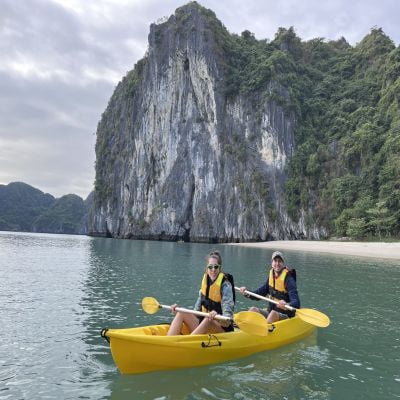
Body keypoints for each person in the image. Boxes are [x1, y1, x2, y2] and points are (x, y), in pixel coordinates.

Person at [167, 250, 235, 336]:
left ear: (220, 268)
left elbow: (227, 322)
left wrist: (216, 317)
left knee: (208, 320)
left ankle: (186, 344)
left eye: (216, 267)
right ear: (206, 268)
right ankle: (168, 341)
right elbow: (196, 313)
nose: (213, 270)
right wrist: (177, 310)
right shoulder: (205, 283)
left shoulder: (225, 286)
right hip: (204, 326)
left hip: (222, 331)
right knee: (182, 312)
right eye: (210, 267)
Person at [239, 251, 299, 323]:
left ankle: (263, 331)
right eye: (275, 261)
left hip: (285, 315)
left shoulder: (289, 279)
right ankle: (244, 328)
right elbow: (259, 293)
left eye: (279, 261)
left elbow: (296, 303)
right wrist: (247, 293)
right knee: (253, 309)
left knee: (273, 314)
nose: (277, 264)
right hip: (270, 312)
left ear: (283, 264)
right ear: (272, 263)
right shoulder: (271, 276)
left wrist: (287, 304)